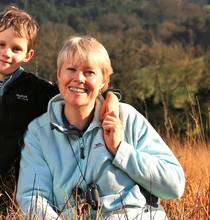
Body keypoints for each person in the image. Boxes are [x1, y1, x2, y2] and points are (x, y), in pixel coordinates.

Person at [0, 6, 121, 208]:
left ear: (28, 55)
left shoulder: (34, 89)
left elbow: (74, 91)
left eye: (16, 49)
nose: (6, 53)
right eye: (0, 44)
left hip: (13, 198)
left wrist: (111, 97)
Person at [16, 36, 185, 219]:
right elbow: (33, 197)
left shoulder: (126, 118)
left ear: (103, 81)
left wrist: (120, 150)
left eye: (89, 72)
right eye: (71, 69)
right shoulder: (39, 132)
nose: (78, 79)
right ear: (59, 75)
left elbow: (174, 187)